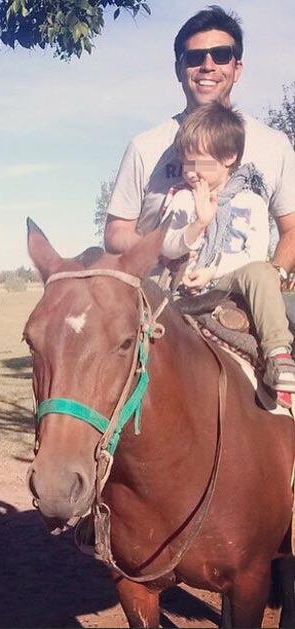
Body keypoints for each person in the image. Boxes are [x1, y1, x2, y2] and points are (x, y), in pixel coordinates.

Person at [104, 5, 295, 286]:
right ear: (179, 69)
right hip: (161, 310)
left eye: (221, 55)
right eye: (194, 57)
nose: (208, 65)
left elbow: (291, 228)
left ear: (236, 68)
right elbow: (115, 233)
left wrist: (273, 276)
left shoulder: (274, 145)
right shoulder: (145, 147)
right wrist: (168, 246)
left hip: (243, 306)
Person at [160, 101, 295, 407]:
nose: (190, 173)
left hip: (230, 279)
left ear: (228, 157)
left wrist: (214, 271)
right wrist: (199, 224)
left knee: (263, 272)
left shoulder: (252, 203)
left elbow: (254, 255)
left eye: (197, 163)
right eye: (185, 164)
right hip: (186, 282)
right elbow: (167, 245)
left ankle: (278, 354)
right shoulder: (182, 199)